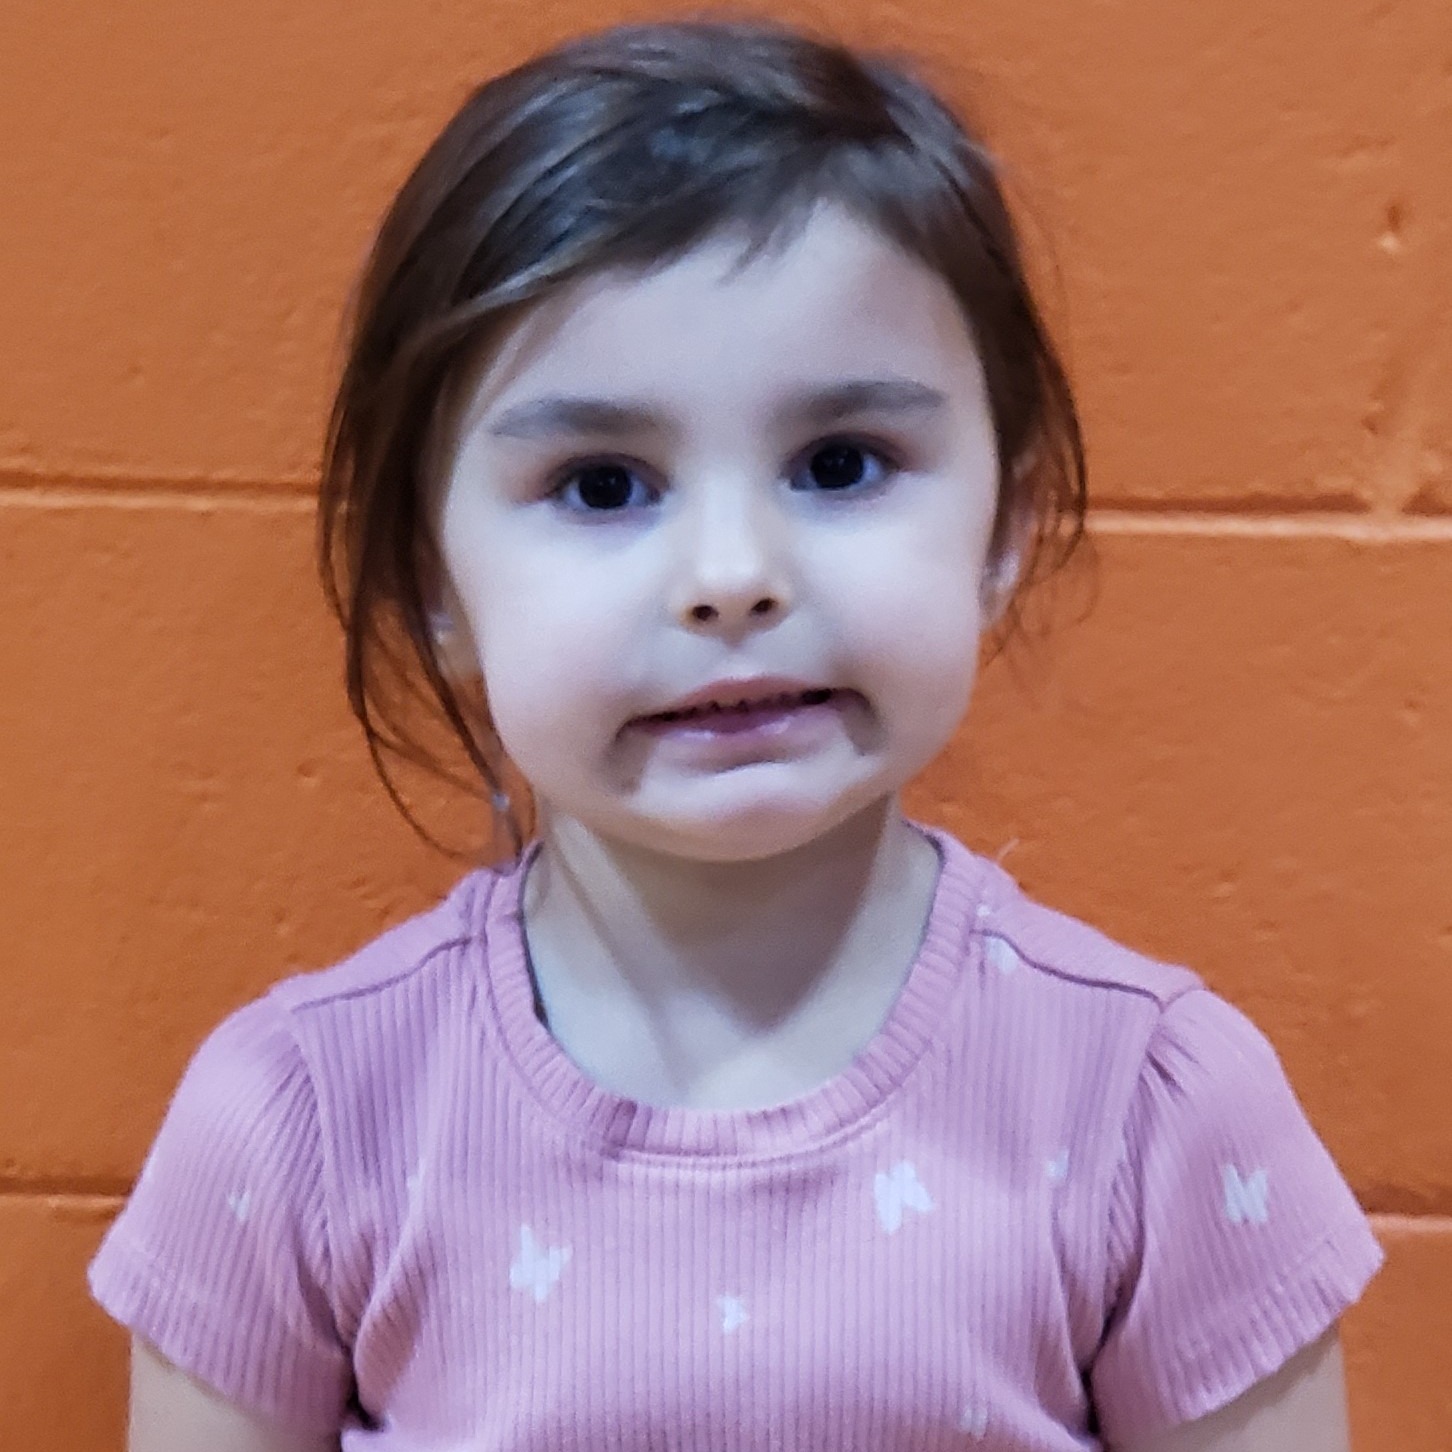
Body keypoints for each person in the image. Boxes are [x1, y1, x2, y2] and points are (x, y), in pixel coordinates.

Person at [88, 15, 1383, 1451]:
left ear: (1006, 525)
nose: (729, 575)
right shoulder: (297, 1127)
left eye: (841, 465)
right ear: (429, 582)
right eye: (599, 486)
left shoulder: (1157, 1111)